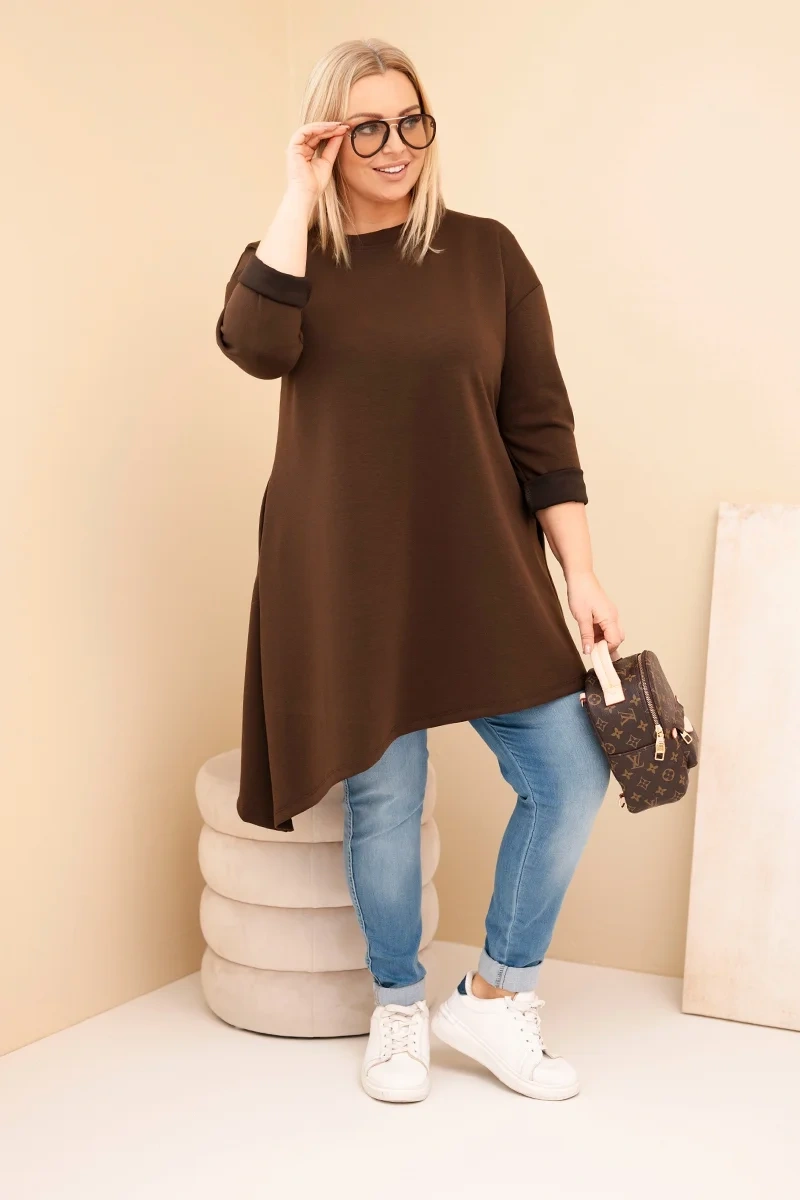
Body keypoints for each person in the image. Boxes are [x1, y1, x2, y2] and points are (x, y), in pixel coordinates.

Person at [215, 37, 623, 1104]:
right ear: (328, 139)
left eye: (410, 121)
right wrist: (296, 196)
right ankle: (398, 1005)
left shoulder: (486, 254)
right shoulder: (293, 261)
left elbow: (540, 426)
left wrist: (579, 574)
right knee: (386, 798)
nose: (394, 145)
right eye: (365, 128)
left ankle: (492, 997)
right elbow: (253, 348)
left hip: (478, 561)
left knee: (569, 773)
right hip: (345, 573)